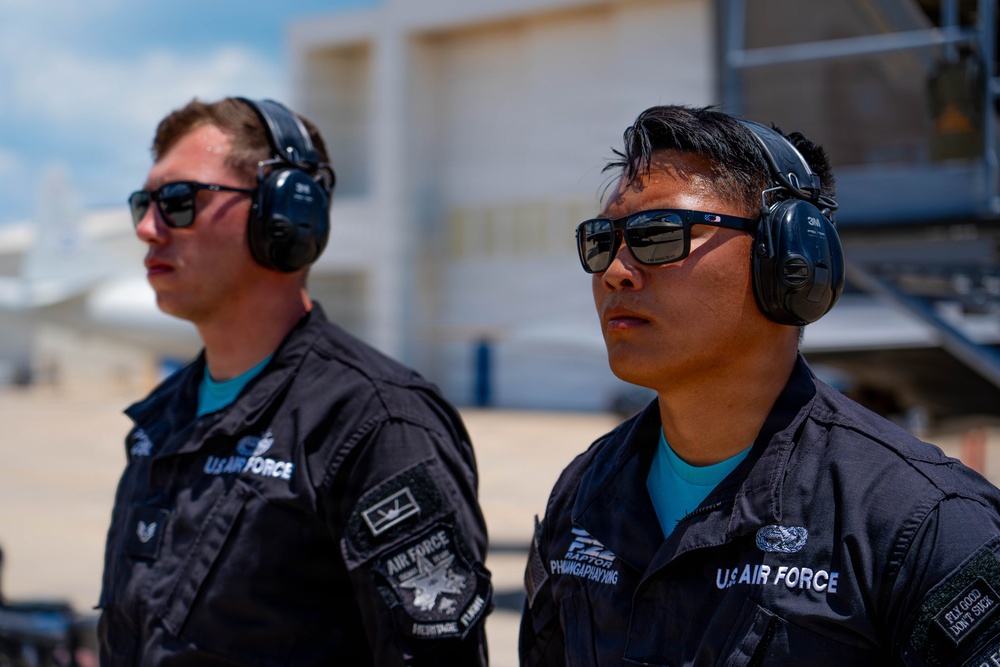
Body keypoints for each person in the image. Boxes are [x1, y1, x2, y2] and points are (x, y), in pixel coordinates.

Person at [519, 105, 1000, 666]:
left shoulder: (923, 525)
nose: (615, 271)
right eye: (601, 241)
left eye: (658, 235)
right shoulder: (582, 496)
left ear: (789, 260)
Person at [98, 97, 492, 666]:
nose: (146, 228)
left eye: (178, 202)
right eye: (144, 203)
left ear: (285, 213)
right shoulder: (160, 421)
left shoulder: (377, 425)